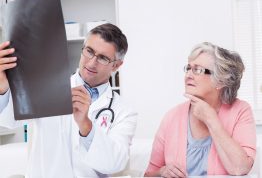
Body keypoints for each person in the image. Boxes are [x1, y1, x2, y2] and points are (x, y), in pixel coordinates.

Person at [0, 23, 137, 177]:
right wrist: (2, 87)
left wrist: (86, 126)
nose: (91, 63)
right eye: (89, 51)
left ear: (116, 65)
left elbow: (114, 164)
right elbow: (7, 120)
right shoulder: (45, 87)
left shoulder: (124, 112)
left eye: (103, 58)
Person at [144, 42, 256, 177]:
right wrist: (161, 172)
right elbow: (148, 174)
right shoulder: (172, 117)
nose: (188, 75)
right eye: (188, 68)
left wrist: (211, 120)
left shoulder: (241, 111)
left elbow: (240, 168)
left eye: (197, 70)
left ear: (220, 81)